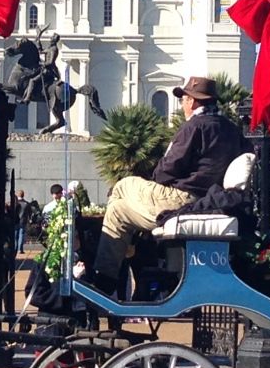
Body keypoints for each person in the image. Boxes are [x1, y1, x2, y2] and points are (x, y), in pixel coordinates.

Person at [87, 76, 244, 293]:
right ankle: (107, 276)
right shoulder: (231, 129)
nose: (182, 104)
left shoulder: (193, 127)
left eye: (184, 99)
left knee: (123, 185)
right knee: (117, 210)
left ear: (193, 101)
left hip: (182, 198)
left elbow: (168, 168)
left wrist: (155, 182)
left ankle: (112, 271)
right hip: (210, 199)